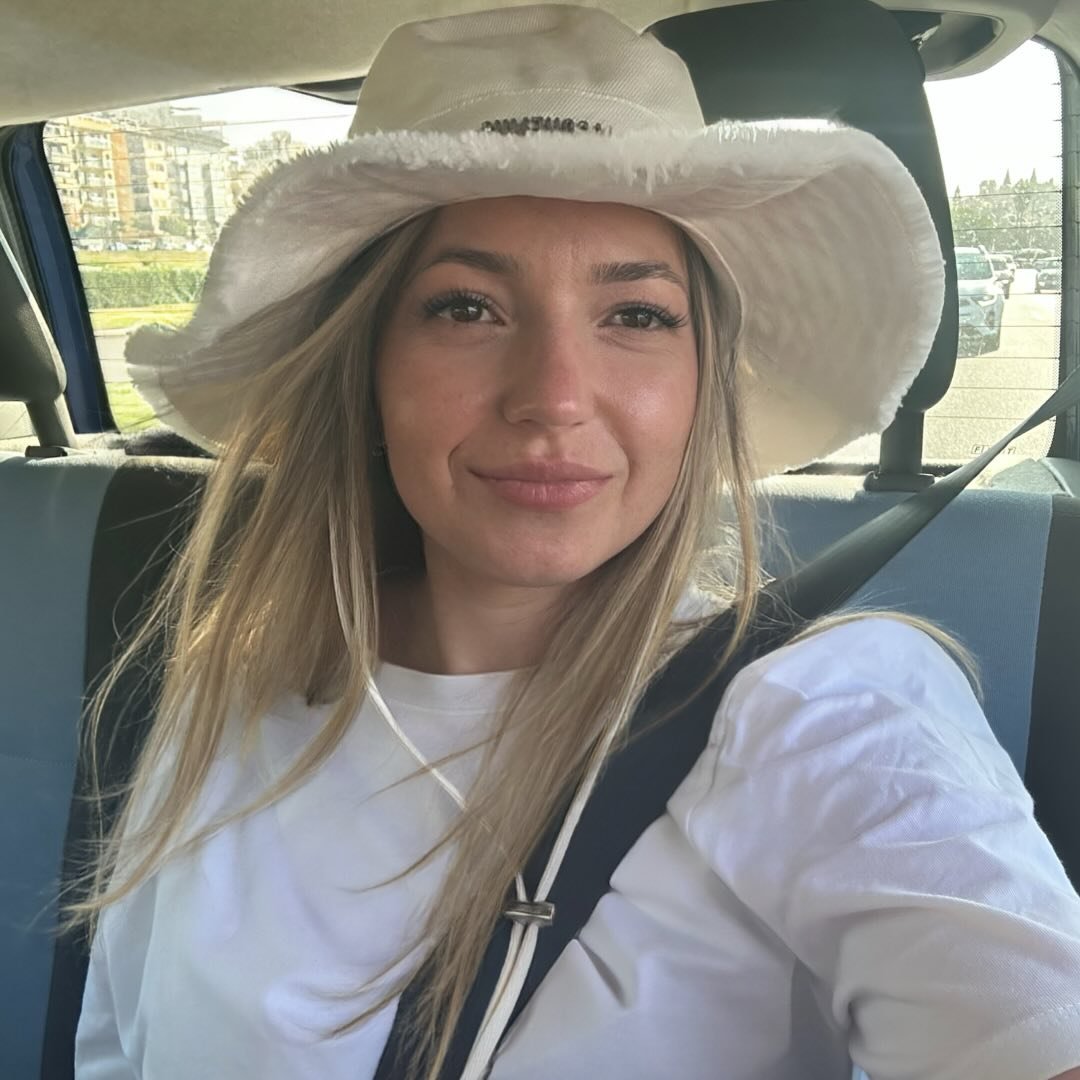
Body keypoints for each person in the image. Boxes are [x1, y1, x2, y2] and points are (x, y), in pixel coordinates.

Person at [73, 6, 1080, 1080]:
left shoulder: (829, 710)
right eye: (466, 308)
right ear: (363, 369)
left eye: (637, 316)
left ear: (703, 382)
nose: (553, 397)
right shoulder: (224, 698)